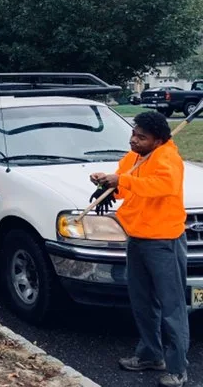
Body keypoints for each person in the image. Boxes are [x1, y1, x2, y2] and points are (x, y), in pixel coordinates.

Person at [89, 110, 188, 387]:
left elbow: (161, 186)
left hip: (163, 241)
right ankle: (150, 355)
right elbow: (124, 184)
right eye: (133, 133)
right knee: (143, 303)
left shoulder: (168, 159)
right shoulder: (135, 157)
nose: (133, 140)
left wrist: (123, 181)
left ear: (157, 140)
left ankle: (178, 368)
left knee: (172, 308)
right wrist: (106, 182)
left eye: (140, 137)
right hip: (137, 237)